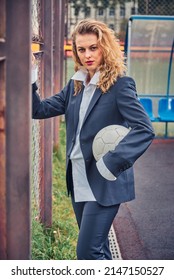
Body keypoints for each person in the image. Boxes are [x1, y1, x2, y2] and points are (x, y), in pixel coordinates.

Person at [32, 19, 155, 260]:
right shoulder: (75, 84)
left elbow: (144, 129)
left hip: (104, 181)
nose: (87, 54)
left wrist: (111, 162)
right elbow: (38, 110)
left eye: (93, 47)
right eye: (81, 49)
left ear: (105, 48)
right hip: (78, 180)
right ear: (76, 52)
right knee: (98, 250)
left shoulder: (120, 85)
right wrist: (31, 75)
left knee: (87, 252)